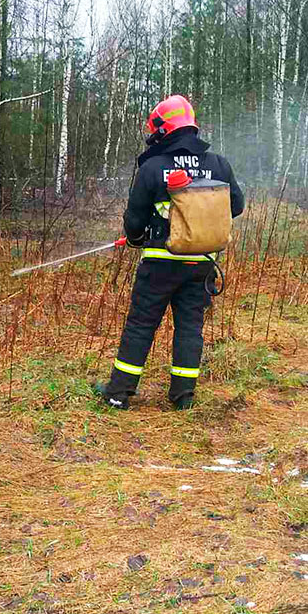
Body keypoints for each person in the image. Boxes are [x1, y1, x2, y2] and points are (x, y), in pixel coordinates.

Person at [95, 95, 245, 410]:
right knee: (190, 326)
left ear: (163, 130)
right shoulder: (218, 164)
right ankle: (183, 397)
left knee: (141, 324)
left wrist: (135, 238)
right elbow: (237, 206)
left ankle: (118, 393)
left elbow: (134, 220)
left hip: (161, 264)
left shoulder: (153, 167)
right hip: (202, 263)